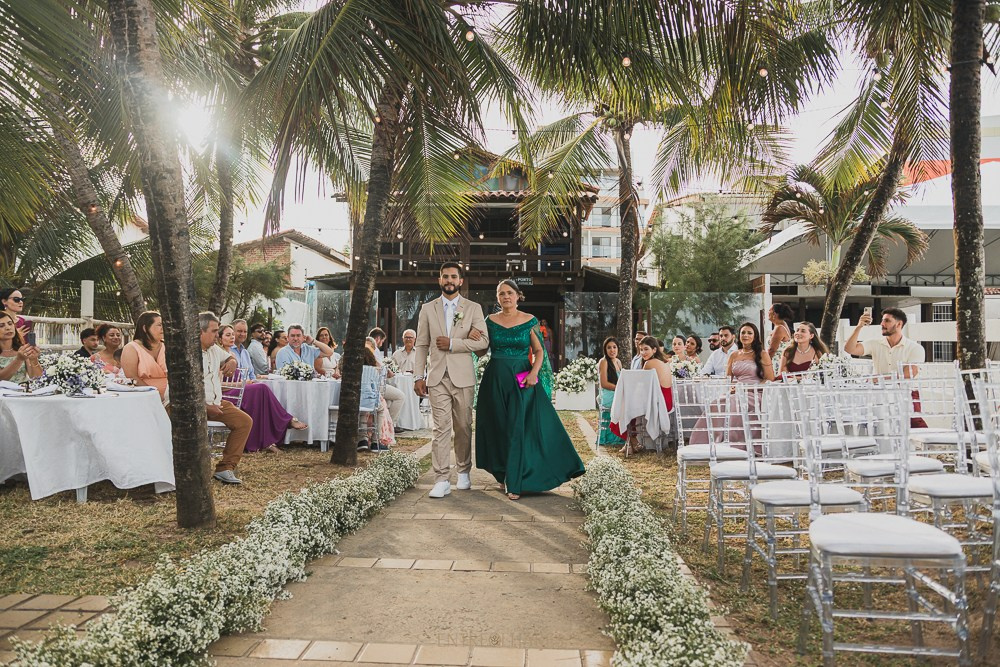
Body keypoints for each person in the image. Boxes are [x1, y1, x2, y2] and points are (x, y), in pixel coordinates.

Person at [476, 279, 585, 500]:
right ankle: (503, 472)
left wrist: (534, 373)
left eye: (509, 293)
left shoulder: (529, 321)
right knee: (497, 426)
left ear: (518, 296)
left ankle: (515, 483)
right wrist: (474, 339)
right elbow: (481, 353)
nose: (505, 297)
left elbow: (539, 351)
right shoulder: (489, 321)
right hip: (494, 377)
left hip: (522, 378)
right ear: (497, 298)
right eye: (501, 294)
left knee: (518, 427)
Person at [413, 262, 489, 498]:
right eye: (445, 276)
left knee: (464, 426)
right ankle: (441, 478)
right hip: (436, 377)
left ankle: (464, 472)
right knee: (440, 429)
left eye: (453, 277)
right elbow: (422, 344)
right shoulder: (427, 308)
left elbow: (483, 343)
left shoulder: (473, 308)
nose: (449, 280)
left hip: (463, 377)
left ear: (460, 281)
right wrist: (418, 375)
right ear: (439, 280)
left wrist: (455, 343)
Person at [220, 322, 308, 454]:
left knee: (261, 392)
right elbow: (219, 385)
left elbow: (248, 375)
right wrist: (242, 384)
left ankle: (267, 441)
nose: (232, 337)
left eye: (233, 334)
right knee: (261, 389)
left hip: (240, 390)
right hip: (227, 395)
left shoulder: (234, 355)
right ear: (220, 338)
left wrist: (251, 381)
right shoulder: (219, 355)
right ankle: (287, 420)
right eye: (228, 335)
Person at [689, 322, 772, 445]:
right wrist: (731, 387)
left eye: (749, 333)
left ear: (755, 336)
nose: (746, 335)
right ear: (738, 335)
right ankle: (712, 442)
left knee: (735, 403)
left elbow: (769, 378)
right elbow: (727, 379)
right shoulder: (734, 355)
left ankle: (736, 443)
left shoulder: (762, 354)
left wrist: (747, 388)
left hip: (754, 393)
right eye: (743, 332)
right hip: (735, 392)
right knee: (715, 403)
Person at [198, 312, 252, 484]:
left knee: (244, 422)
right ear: (200, 331)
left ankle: (225, 468)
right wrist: (204, 408)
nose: (217, 335)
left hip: (216, 403)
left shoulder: (214, 349)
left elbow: (230, 356)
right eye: (214, 331)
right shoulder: (187, 354)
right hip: (191, 406)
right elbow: (179, 396)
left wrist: (232, 361)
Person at [844, 307, 925, 377]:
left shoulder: (915, 348)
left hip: (904, 393)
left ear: (899, 324)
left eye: (887, 321)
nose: (882, 324)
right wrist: (859, 326)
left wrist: (877, 379)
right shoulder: (875, 343)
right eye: (882, 320)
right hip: (879, 393)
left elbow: (908, 374)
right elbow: (850, 349)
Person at [121, 311, 168, 403]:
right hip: (144, 396)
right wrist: (154, 395)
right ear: (145, 328)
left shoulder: (168, 346)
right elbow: (131, 376)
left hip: (172, 396)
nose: (163, 328)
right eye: (159, 325)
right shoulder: (131, 348)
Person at [597, 336, 625, 447]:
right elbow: (604, 383)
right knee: (623, 403)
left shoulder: (618, 361)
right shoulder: (603, 362)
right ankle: (610, 436)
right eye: (609, 347)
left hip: (617, 393)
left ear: (618, 349)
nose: (612, 350)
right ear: (605, 349)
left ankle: (623, 434)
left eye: (614, 347)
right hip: (608, 394)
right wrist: (619, 389)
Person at [0, 312, 42, 383]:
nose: (8, 328)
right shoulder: (21, 355)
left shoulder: (21, 349)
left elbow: (37, 378)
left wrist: (34, 360)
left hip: (22, 392)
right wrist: (19, 360)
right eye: (1, 325)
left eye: (10, 324)